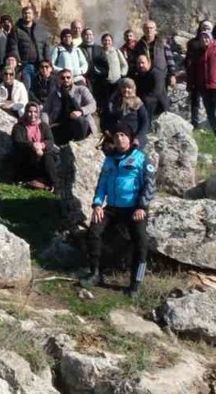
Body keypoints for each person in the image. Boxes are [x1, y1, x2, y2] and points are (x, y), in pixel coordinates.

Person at [81, 123, 156, 297]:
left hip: (134, 208)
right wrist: (97, 204)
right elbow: (102, 184)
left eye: (123, 135)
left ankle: (135, 284)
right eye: (116, 136)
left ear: (129, 138)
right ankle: (95, 273)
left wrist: (142, 207)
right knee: (94, 231)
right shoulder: (109, 159)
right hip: (112, 208)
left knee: (141, 242)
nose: (119, 138)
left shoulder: (141, 158)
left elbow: (150, 186)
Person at [11, 102, 57, 190]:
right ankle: (39, 182)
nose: (33, 114)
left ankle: (55, 184)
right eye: (30, 112)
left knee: (48, 156)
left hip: (42, 157)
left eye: (35, 112)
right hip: (28, 159)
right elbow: (17, 141)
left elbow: (50, 140)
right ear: (25, 112)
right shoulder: (18, 127)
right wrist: (32, 146)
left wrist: (41, 145)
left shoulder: (43, 125)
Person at [44, 68, 97, 145]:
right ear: (58, 80)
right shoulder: (54, 94)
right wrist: (45, 124)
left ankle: (80, 145)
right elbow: (45, 111)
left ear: (72, 79)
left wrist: (81, 111)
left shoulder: (81, 90)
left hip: (81, 124)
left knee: (80, 121)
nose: (66, 79)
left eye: (68, 77)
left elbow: (93, 105)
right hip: (61, 124)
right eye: (62, 78)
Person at [101, 78, 151, 151]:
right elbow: (104, 118)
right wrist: (106, 131)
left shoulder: (137, 102)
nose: (126, 90)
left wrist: (139, 137)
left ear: (133, 89)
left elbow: (145, 121)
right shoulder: (112, 102)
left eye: (129, 88)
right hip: (115, 137)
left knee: (133, 152)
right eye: (124, 87)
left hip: (133, 136)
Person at [8, 4, 50, 87]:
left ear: (33, 15)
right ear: (22, 15)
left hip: (40, 65)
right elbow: (14, 46)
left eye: (29, 13)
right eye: (25, 13)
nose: (27, 15)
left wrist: (48, 61)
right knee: (26, 86)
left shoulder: (40, 29)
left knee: (39, 87)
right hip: (24, 65)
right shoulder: (16, 29)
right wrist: (18, 60)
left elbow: (46, 46)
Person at [133, 20, 176, 90]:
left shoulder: (162, 43)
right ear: (143, 30)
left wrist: (172, 75)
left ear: (155, 29)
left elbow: (170, 60)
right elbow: (134, 61)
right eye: (146, 28)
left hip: (161, 77)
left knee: (161, 98)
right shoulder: (139, 45)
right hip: (144, 77)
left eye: (151, 28)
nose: (149, 30)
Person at [183, 23, 210, 128]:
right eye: (203, 28)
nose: (205, 31)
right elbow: (188, 59)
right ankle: (195, 123)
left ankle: (211, 121)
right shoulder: (193, 43)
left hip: (208, 76)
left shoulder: (214, 44)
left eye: (208, 29)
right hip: (195, 75)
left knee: (209, 101)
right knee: (195, 101)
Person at [94, 33, 128, 108]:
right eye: (105, 40)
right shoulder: (99, 52)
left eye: (109, 40)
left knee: (118, 100)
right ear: (102, 41)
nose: (107, 42)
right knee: (107, 101)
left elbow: (124, 64)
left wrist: (122, 74)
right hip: (105, 81)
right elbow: (96, 66)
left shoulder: (116, 51)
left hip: (117, 80)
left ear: (112, 42)